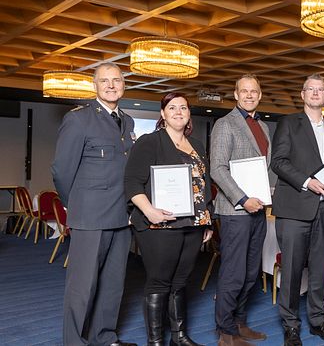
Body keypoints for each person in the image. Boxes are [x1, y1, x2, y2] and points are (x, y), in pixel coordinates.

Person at [51, 63, 137, 346]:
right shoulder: (79, 119)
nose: (112, 85)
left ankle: (104, 337)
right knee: (81, 288)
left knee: (113, 285)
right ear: (95, 86)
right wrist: (74, 207)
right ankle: (74, 342)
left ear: (124, 84)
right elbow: (62, 171)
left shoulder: (127, 121)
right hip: (90, 218)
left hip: (121, 216)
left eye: (117, 80)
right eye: (105, 81)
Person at [124, 93, 213, 346]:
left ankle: (179, 336)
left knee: (181, 280)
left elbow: (204, 185)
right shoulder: (149, 142)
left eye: (183, 107)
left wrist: (207, 219)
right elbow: (131, 182)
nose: (178, 112)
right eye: (171, 107)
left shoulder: (197, 144)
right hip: (158, 224)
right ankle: (156, 341)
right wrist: (149, 210)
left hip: (193, 224)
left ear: (188, 114)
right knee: (160, 281)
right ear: (162, 114)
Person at [270, 74, 324, 346]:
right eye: (311, 89)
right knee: (291, 272)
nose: (316, 93)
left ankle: (318, 321)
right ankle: (291, 325)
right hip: (294, 209)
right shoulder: (288, 124)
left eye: (321, 90)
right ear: (302, 95)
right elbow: (278, 162)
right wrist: (307, 182)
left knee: (319, 270)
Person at [210, 74, 274, 346]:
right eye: (244, 91)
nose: (249, 95)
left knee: (250, 271)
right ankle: (225, 332)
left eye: (254, 91)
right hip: (236, 211)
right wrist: (243, 198)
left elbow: (265, 168)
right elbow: (218, 169)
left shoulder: (264, 127)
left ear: (260, 95)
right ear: (235, 95)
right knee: (233, 273)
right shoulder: (225, 124)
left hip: (258, 210)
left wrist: (268, 194)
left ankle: (239, 322)